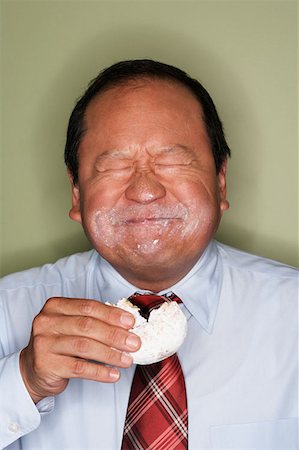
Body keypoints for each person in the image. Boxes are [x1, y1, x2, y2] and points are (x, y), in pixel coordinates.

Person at [0, 59, 297, 450]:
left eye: (173, 159)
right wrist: (23, 381)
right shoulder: (8, 308)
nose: (144, 191)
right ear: (77, 193)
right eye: (113, 166)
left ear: (221, 181)